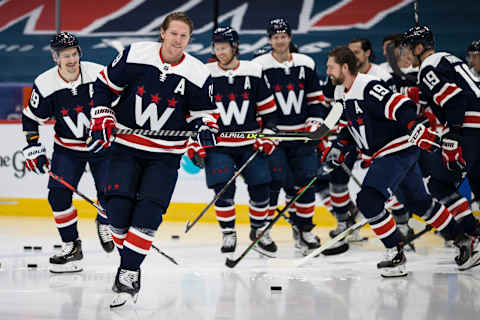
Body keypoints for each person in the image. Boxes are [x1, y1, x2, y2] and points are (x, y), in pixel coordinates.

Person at [88, 12, 219, 308]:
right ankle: (130, 260)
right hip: (126, 147)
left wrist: (205, 129)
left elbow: (206, 114)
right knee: (118, 213)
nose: (178, 40)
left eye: (184, 36)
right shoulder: (135, 54)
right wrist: (103, 114)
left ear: (189, 39)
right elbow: (103, 87)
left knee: (148, 215)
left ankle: (129, 272)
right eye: (173, 33)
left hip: (165, 156)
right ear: (162, 33)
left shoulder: (198, 72)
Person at [324, 45, 479, 277]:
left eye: (331, 67)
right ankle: (462, 238)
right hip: (388, 153)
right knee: (419, 202)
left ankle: (395, 252)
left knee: (368, 199)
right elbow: (349, 127)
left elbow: (401, 106)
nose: (327, 71)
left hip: (396, 150)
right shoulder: (341, 93)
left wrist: (414, 127)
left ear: (345, 67)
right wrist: (340, 146)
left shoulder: (368, 86)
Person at [21, 32, 114, 274]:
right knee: (57, 196)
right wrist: (33, 146)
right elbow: (31, 118)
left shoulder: (98, 74)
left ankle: (104, 222)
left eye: (74, 54)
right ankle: (71, 246)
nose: (71, 60)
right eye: (65, 56)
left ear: (79, 53)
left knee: (111, 192)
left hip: (101, 146)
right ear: (55, 58)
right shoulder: (44, 83)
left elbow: (120, 103)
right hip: (67, 149)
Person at [189, 26, 278, 257]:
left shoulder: (254, 70)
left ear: (235, 47)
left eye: (224, 48)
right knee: (222, 190)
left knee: (261, 188)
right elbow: (193, 113)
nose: (220, 52)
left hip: (249, 143)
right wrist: (195, 141)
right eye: (216, 48)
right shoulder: (204, 72)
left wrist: (269, 133)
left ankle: (259, 231)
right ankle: (228, 232)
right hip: (219, 145)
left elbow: (269, 113)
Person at [252, 18, 328, 255]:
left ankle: (304, 230)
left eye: (283, 36)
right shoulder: (258, 65)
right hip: (274, 138)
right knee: (273, 184)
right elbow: (254, 103)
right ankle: (263, 232)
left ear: (290, 37)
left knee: (305, 184)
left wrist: (315, 123)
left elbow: (316, 100)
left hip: (301, 137)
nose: (280, 40)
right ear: (270, 39)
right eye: (275, 36)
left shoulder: (306, 63)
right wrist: (262, 129)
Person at [401, 25, 480, 236]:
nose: (405, 55)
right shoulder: (448, 59)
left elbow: (454, 99)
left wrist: (453, 135)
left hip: (469, 130)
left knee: (438, 183)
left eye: (408, 49)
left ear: (419, 48)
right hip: (475, 126)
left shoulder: (428, 67)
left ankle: (472, 234)